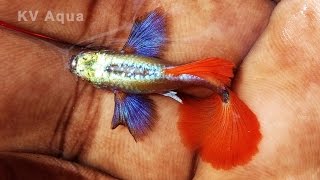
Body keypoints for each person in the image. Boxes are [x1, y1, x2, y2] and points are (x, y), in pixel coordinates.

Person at [0, 0, 319, 179]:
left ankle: (218, 94)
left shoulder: (120, 96)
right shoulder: (125, 72)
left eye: (86, 60)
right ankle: (217, 94)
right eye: (85, 65)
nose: (83, 62)